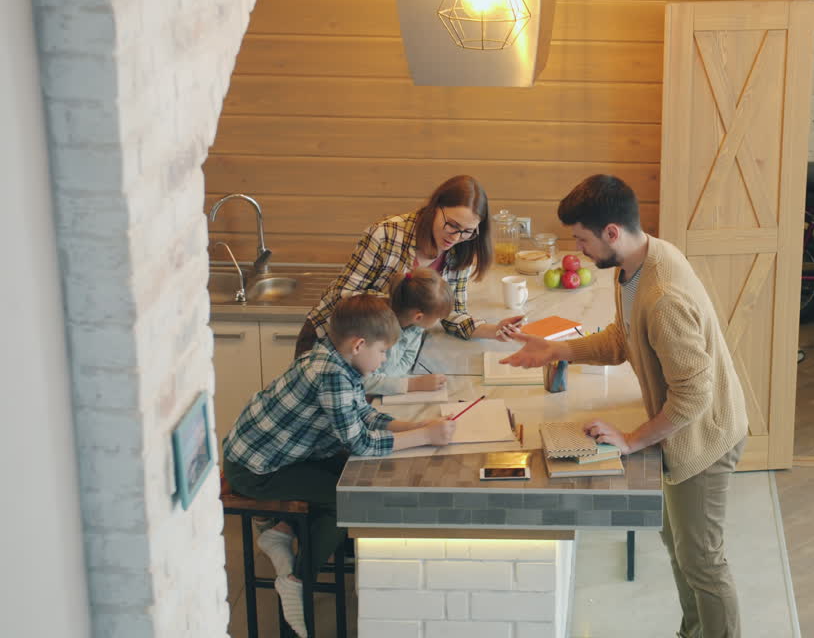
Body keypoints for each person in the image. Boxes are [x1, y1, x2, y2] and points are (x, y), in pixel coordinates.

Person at [500, 175, 749, 638]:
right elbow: (622, 338)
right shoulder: (636, 265)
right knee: (678, 548)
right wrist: (557, 350)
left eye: (581, 238)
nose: (578, 248)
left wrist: (633, 440)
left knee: (703, 561)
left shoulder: (663, 296)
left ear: (611, 232)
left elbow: (693, 396)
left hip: (705, 438)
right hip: (684, 430)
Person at [224, 294, 456, 637]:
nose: (385, 358)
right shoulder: (330, 373)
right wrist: (425, 438)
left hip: (275, 454)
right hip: (256, 470)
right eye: (383, 351)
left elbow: (364, 415)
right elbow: (361, 441)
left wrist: (419, 428)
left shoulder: (337, 360)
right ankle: (296, 581)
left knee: (348, 477)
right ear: (360, 345)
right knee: (342, 498)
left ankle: (280, 534)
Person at [294, 175, 524, 357]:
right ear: (435, 207)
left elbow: (452, 312)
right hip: (331, 340)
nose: (456, 237)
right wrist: (406, 304)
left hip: (376, 351)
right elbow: (343, 296)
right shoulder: (386, 234)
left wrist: (493, 330)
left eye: (468, 231)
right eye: (452, 225)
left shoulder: (461, 250)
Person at [363, 267, 453, 397]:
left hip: (385, 389)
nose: (438, 321)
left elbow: (409, 357)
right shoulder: (372, 329)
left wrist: (394, 380)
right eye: (438, 318)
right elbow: (363, 382)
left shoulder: (416, 326)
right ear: (418, 317)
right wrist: (412, 384)